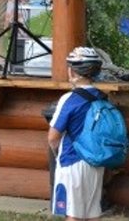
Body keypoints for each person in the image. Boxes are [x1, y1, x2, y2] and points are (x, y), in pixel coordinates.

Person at [48, 47, 105, 220]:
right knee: (92, 211)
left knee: (72, 213)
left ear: (72, 71)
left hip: (72, 160)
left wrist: (57, 153)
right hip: (96, 162)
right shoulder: (102, 97)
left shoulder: (69, 99)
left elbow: (53, 137)